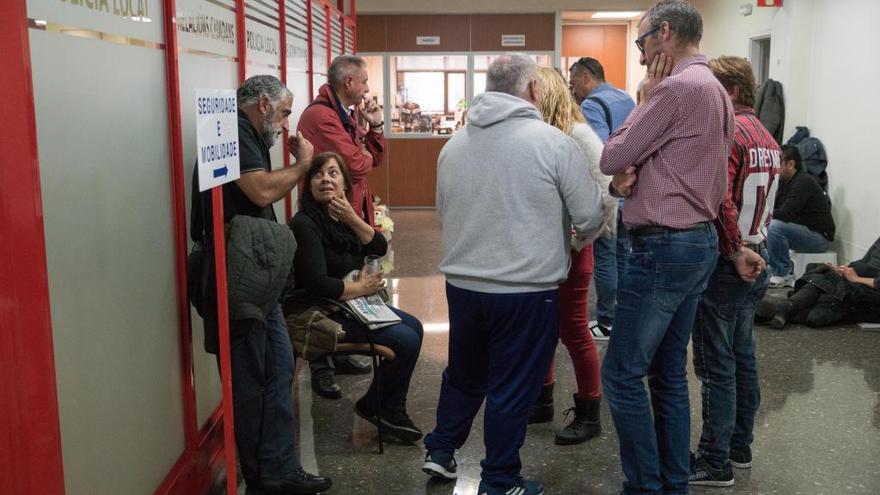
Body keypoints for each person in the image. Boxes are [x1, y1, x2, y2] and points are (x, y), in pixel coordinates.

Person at [421, 55, 604, 495]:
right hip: (527, 291)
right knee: (512, 386)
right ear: (535, 91)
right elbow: (590, 213)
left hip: (463, 287)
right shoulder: (554, 144)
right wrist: (570, 239)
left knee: (464, 374)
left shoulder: (454, 145)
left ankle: (441, 452)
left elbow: (443, 212)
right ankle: (500, 481)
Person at [598, 2, 735, 494]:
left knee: (620, 374)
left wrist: (646, 97)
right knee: (668, 375)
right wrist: (624, 184)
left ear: (665, 33)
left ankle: (645, 486)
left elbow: (613, 155)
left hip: (664, 249)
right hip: (696, 242)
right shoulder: (715, 88)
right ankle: (672, 482)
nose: (640, 56)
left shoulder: (675, 88)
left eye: (642, 43)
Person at [189, 75, 331, 494]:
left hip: (251, 273)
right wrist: (304, 164)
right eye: (285, 112)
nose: (286, 124)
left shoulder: (242, 131)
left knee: (277, 367)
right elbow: (260, 191)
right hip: (238, 276)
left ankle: (278, 466)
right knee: (254, 376)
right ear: (264, 105)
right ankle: (268, 473)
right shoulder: (235, 129)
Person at [288, 151, 424, 443]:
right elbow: (317, 284)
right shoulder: (305, 224)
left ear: (344, 184)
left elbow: (378, 245)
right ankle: (384, 407)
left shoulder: (339, 219)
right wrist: (361, 288)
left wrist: (352, 217)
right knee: (406, 339)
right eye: (318, 174)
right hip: (321, 311)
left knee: (415, 327)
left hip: (348, 304)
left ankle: (383, 405)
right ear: (309, 185)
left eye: (333, 173)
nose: (325, 179)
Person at [688, 56, 780, 488]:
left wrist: (730, 249)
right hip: (758, 252)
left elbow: (722, 200)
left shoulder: (730, 134)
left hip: (732, 261)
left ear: (734, 92)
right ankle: (740, 445)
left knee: (716, 366)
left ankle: (715, 460)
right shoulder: (766, 136)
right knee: (743, 358)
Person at [527, 66, 616, 447]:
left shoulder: (577, 134)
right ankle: (543, 399)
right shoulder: (543, 134)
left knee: (575, 332)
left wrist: (583, 237)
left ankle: (589, 411)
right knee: (543, 328)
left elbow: (608, 193)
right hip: (546, 253)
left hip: (573, 254)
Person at [297, 54, 386, 398]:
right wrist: (359, 152)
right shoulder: (321, 115)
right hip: (325, 211)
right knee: (324, 283)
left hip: (348, 208)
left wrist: (374, 128)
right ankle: (322, 364)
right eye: (364, 81)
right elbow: (357, 165)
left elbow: (371, 158)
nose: (366, 88)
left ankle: (340, 349)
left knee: (350, 272)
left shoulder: (345, 115)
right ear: (349, 82)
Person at [568, 56, 636, 340]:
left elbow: (600, 154)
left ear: (586, 78)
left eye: (574, 84)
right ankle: (623, 316)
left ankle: (606, 321)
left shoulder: (592, 105)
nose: (573, 91)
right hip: (630, 191)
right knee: (623, 256)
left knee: (606, 258)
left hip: (610, 193)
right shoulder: (625, 98)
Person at [765, 235, 880, 329]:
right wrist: (843, 269)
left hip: (870, 292)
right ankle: (786, 308)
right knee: (824, 272)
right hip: (860, 281)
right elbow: (863, 262)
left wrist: (856, 279)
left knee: (819, 309)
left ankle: (781, 308)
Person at [766, 144, 836, 287]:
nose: (774, 168)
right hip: (805, 231)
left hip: (819, 238)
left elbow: (785, 214)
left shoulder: (802, 182)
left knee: (774, 226)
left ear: (790, 164)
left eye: (778, 163)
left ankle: (782, 273)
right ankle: (773, 267)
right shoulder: (785, 181)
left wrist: (763, 213)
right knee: (768, 224)